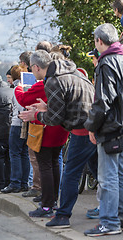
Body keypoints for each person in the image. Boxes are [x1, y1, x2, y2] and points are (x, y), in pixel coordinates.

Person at [19, 50, 96, 228]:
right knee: (102, 174)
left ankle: (62, 216)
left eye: (31, 68)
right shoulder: (74, 73)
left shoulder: (53, 80)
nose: (32, 71)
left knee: (70, 174)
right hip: (94, 127)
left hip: (81, 131)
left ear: (37, 67)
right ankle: (115, 212)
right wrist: (47, 107)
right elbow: (69, 103)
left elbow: (54, 119)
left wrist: (36, 115)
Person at [14, 57, 69, 217]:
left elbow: (23, 99)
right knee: (54, 164)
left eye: (31, 68)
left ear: (37, 67)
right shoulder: (62, 80)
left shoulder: (44, 83)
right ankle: (54, 200)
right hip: (62, 128)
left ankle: (46, 205)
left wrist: (18, 88)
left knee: (45, 165)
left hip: (47, 128)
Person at [84, 23, 123, 237]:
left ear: (99, 41)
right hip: (122, 127)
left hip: (110, 128)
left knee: (108, 178)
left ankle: (109, 222)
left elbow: (103, 101)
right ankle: (118, 217)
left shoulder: (106, 63)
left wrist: (91, 126)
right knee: (119, 175)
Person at [1, 65, 30, 194]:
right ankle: (24, 182)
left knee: (15, 153)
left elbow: (19, 106)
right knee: (24, 153)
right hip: (28, 124)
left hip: (17, 123)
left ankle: (15, 182)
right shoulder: (28, 86)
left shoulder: (17, 89)